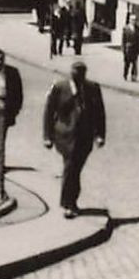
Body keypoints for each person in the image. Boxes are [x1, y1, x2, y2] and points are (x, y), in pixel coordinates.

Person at [42, 59, 106, 219]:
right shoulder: (59, 88)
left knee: (75, 169)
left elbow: (99, 113)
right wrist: (47, 136)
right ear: (71, 74)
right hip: (65, 135)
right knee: (70, 167)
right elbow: (49, 112)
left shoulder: (92, 88)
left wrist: (100, 135)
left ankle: (71, 201)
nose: (78, 76)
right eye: (75, 73)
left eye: (81, 73)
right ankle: (69, 204)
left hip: (85, 137)